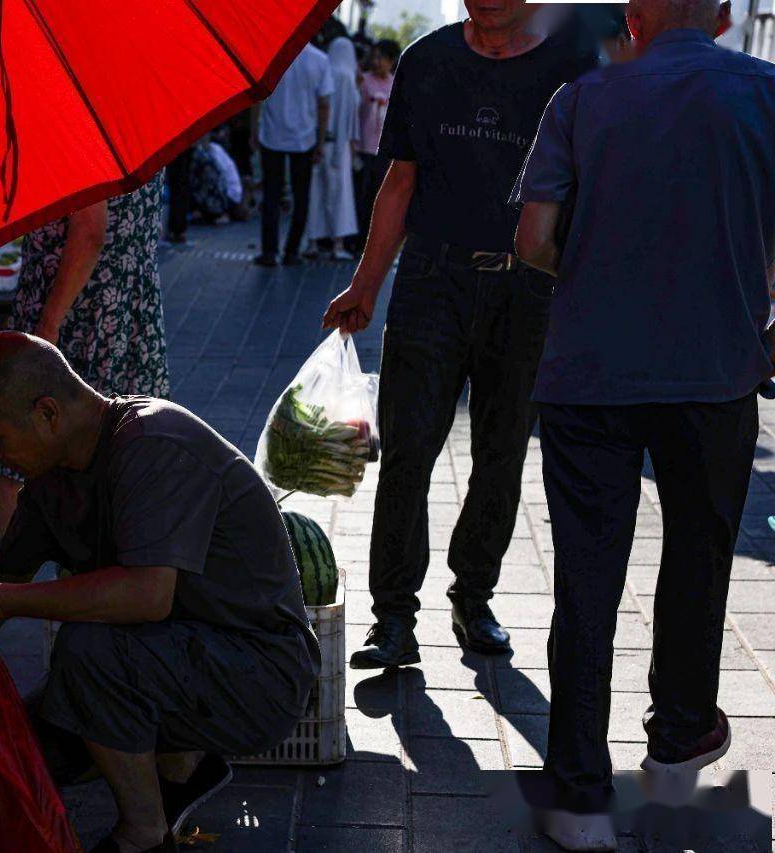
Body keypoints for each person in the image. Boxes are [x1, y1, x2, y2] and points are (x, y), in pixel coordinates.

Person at [0, 333, 319, 853]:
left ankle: (144, 833)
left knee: (87, 653)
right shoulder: (53, 479)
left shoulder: (154, 443)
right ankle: (184, 766)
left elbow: (147, 595)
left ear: (47, 413)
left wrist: (5, 603)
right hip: (174, 654)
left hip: (260, 674)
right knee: (28, 748)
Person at [512, 0, 775, 845]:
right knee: (699, 560)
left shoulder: (583, 100)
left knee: (586, 579)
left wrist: (594, 264)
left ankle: (581, 799)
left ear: (633, 15)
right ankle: (673, 748)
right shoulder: (765, 94)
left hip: (589, 374)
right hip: (717, 372)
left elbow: (532, 238)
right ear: (727, 16)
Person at [322, 0, 597, 669]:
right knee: (408, 450)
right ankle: (393, 617)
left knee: (501, 454)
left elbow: (596, 183)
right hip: (431, 282)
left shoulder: (573, 63)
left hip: (528, 289)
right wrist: (365, 284)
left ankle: (474, 598)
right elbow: (399, 182)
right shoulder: (429, 61)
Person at [0, 177, 172, 596]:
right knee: (120, 446)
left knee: (19, 447)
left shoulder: (83, 130)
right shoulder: (128, 134)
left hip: (81, 313)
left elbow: (89, 231)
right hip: (122, 310)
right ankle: (114, 571)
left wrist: (49, 325)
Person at [253, 39, 333, 267]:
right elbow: (324, 104)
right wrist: (320, 140)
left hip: (271, 134)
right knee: (301, 197)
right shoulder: (320, 59)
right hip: (304, 139)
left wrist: (254, 130)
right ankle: (292, 251)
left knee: (271, 195)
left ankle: (269, 251)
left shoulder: (270, 56)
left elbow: (257, 98)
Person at [306, 37, 361, 259]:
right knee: (340, 194)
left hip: (319, 142)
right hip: (339, 144)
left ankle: (312, 242)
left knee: (316, 193)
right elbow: (347, 117)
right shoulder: (346, 77)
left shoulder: (325, 71)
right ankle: (337, 244)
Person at [346, 39, 399, 256]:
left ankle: (370, 244)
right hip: (362, 149)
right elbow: (353, 114)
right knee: (359, 196)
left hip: (383, 152)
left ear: (391, 61)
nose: (377, 62)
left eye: (381, 58)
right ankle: (354, 240)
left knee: (377, 200)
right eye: (374, 57)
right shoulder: (363, 82)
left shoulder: (395, 84)